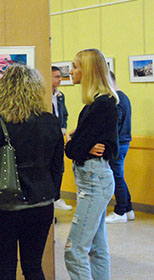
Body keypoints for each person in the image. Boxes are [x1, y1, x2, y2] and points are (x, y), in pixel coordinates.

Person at [0, 64, 64, 280]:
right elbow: (57, 165)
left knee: (5, 268)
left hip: (3, 204)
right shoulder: (50, 122)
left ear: (4, 90)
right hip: (40, 203)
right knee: (33, 267)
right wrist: (54, 194)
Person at [64, 49, 119, 280]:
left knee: (74, 251)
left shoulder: (102, 105)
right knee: (97, 247)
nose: (71, 71)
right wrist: (78, 142)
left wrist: (71, 140)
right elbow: (80, 146)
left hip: (95, 180)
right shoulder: (94, 105)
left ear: (87, 71)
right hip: (92, 179)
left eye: (75, 66)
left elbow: (72, 149)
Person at [105, 71, 134, 223]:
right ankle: (128, 209)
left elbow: (114, 125)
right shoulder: (124, 97)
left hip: (118, 143)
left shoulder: (116, 99)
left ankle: (120, 211)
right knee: (119, 176)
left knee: (116, 177)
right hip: (124, 142)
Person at [51, 66, 73, 211]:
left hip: (59, 135)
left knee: (59, 166)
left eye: (60, 76)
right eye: (56, 76)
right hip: (48, 134)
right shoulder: (43, 95)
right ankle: (51, 197)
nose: (60, 79)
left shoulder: (60, 95)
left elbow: (63, 113)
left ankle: (57, 197)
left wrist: (63, 128)